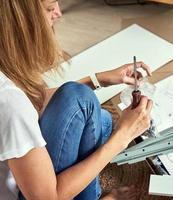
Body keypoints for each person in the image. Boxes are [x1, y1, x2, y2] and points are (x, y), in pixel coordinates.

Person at [0, 0, 153, 200]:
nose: (59, 13)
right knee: (84, 103)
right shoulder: (9, 103)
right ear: (19, 20)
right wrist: (123, 136)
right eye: (49, 8)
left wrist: (99, 79)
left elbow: (29, 102)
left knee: (102, 119)